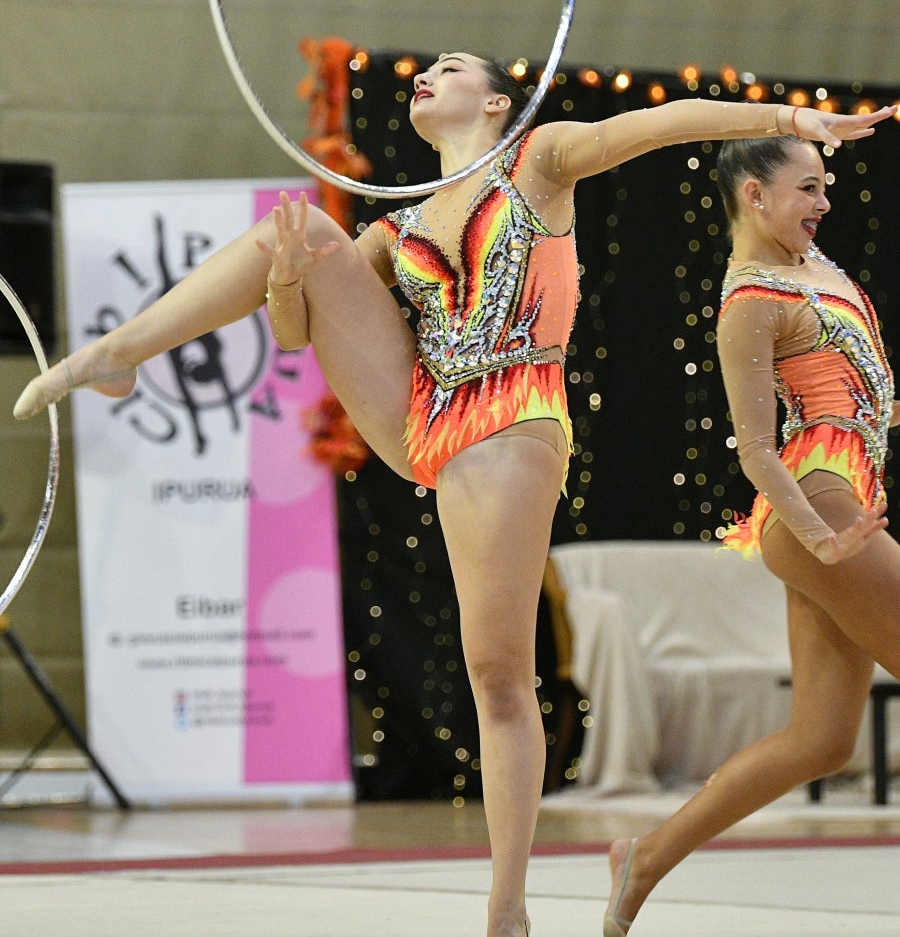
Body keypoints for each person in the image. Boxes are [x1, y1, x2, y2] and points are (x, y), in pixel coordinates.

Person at [14, 54, 894, 937]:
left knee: (497, 676)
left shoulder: (539, 162)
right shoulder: (398, 231)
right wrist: (286, 276)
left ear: (499, 102)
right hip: (422, 413)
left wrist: (788, 122)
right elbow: (294, 332)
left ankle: (506, 906)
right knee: (308, 233)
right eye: (425, 72)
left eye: (452, 68)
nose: (428, 77)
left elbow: (669, 123)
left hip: (513, 416)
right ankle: (119, 351)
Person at [603, 131, 900, 937]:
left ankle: (648, 855)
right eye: (808, 188)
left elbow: (857, 395)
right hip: (818, 505)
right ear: (755, 196)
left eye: (825, 185)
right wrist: (822, 539)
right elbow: (757, 450)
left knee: (821, 740)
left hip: (841, 500)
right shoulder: (751, 300)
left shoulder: (820, 273)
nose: (825, 203)